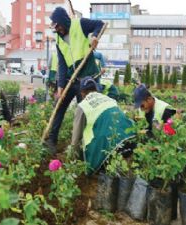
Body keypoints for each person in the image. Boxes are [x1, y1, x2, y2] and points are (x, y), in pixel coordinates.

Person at [44, 7, 104, 154]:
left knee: (85, 112)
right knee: (59, 106)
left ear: (63, 21)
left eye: (58, 26)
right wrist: (60, 87)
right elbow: (63, 64)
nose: (57, 30)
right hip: (71, 78)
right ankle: (52, 141)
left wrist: (94, 37)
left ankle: (85, 146)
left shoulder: (80, 24)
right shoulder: (58, 39)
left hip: (87, 78)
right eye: (55, 27)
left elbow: (100, 24)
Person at [71, 77, 135, 175]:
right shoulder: (109, 99)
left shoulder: (83, 106)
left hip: (106, 149)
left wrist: (74, 160)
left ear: (82, 93)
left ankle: (106, 168)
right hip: (129, 140)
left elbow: (76, 137)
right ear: (96, 89)